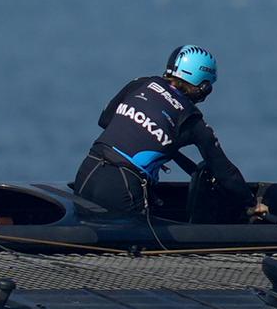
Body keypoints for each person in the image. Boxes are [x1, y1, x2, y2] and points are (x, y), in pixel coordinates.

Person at [71, 45, 251, 218]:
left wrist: (158, 144)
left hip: (88, 169)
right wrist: (251, 204)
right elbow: (225, 172)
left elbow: (105, 120)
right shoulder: (192, 119)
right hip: (123, 185)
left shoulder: (141, 83)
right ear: (203, 87)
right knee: (141, 246)